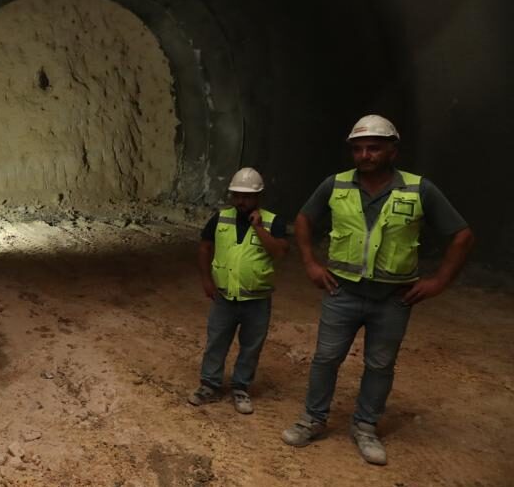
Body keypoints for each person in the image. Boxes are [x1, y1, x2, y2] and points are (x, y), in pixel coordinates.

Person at [281, 114, 474, 465]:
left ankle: (365, 426)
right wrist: (310, 263)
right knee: (326, 359)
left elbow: (461, 235)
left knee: (380, 364)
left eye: (373, 148)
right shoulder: (335, 185)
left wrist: (438, 281)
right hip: (343, 293)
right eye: (358, 149)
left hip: (393, 298)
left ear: (392, 151)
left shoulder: (419, 189)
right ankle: (313, 418)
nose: (365, 155)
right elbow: (304, 219)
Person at [188, 167, 289, 414]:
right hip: (224, 296)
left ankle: (241, 388)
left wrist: (259, 228)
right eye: (237, 195)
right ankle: (209, 385)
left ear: (258, 197)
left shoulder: (273, 221)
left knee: (251, 345)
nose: (241, 201)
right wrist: (206, 280)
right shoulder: (220, 219)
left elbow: (279, 252)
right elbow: (204, 248)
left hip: (257, 299)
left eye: (247, 196)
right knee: (217, 341)